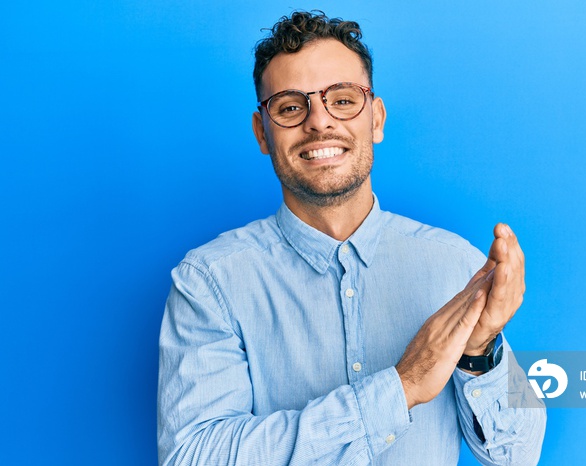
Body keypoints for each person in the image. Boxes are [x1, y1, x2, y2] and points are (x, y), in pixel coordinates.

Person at [158, 10, 545, 466]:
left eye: (342, 100)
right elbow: (193, 456)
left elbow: (516, 455)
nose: (319, 122)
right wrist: (400, 387)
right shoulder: (209, 282)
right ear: (263, 133)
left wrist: (480, 350)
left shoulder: (456, 266)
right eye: (289, 107)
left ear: (376, 119)